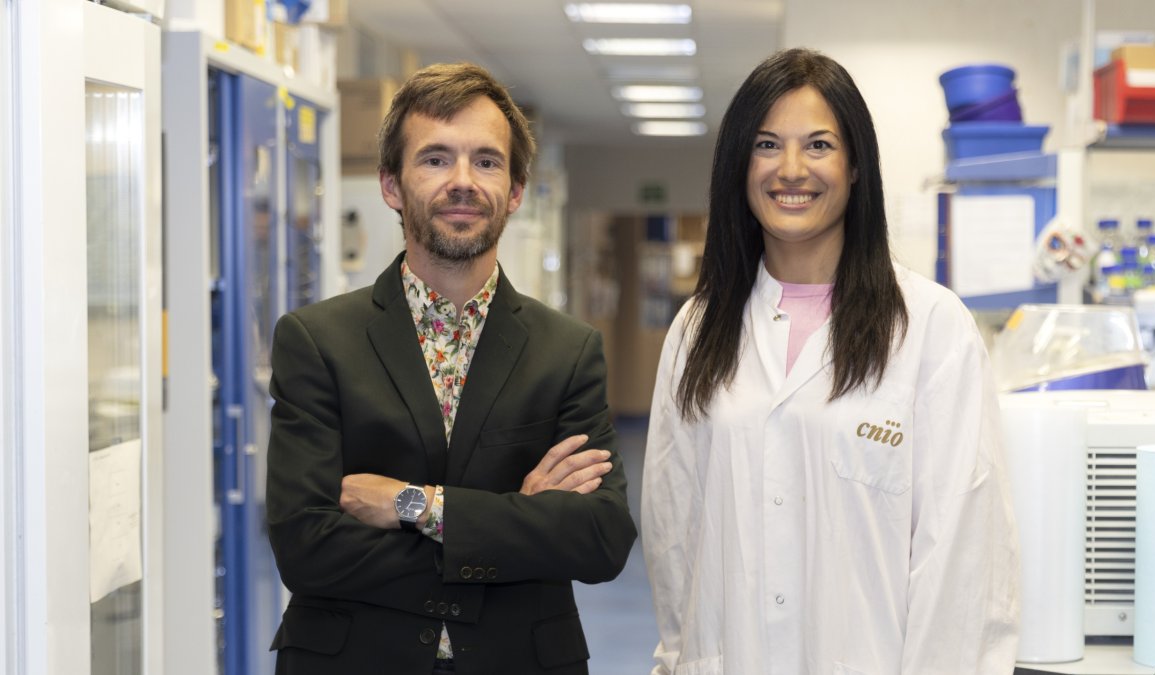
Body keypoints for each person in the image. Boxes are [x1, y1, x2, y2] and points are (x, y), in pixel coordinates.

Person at [641, 48, 1020, 675]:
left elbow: (961, 555)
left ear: (855, 167)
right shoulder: (697, 329)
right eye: (766, 145)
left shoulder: (929, 326)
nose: (791, 169)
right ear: (740, 165)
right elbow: (672, 526)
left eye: (818, 145)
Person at [266, 62, 638, 675]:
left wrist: (419, 506)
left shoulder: (567, 351)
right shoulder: (317, 341)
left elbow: (599, 539)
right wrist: (515, 521)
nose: (462, 182)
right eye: (435, 159)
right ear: (391, 184)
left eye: (487, 161)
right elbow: (307, 548)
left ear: (515, 190)